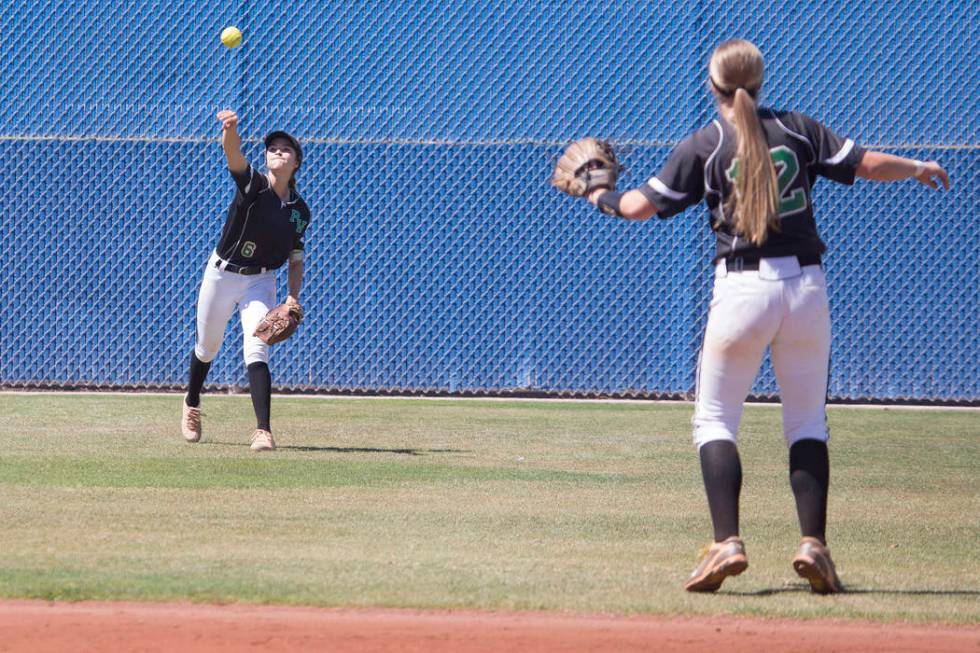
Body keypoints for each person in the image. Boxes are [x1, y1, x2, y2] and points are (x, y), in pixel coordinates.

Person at [583, 39, 949, 593]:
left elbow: (637, 207)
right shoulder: (798, 129)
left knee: (715, 421)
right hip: (806, 288)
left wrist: (598, 194)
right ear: (759, 82)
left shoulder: (706, 143)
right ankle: (814, 545)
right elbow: (867, 163)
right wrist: (917, 165)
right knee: (806, 423)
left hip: (743, 290)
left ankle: (727, 542)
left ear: (713, 85)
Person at [180, 109, 311, 452]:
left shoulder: (299, 210)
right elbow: (233, 155)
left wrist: (291, 298)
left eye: (285, 149)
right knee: (208, 346)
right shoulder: (254, 185)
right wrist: (231, 130)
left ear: (296, 162)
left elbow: (296, 257)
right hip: (222, 273)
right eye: (272, 148)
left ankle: (263, 431)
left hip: (260, 281)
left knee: (257, 347)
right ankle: (192, 402)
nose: (277, 151)